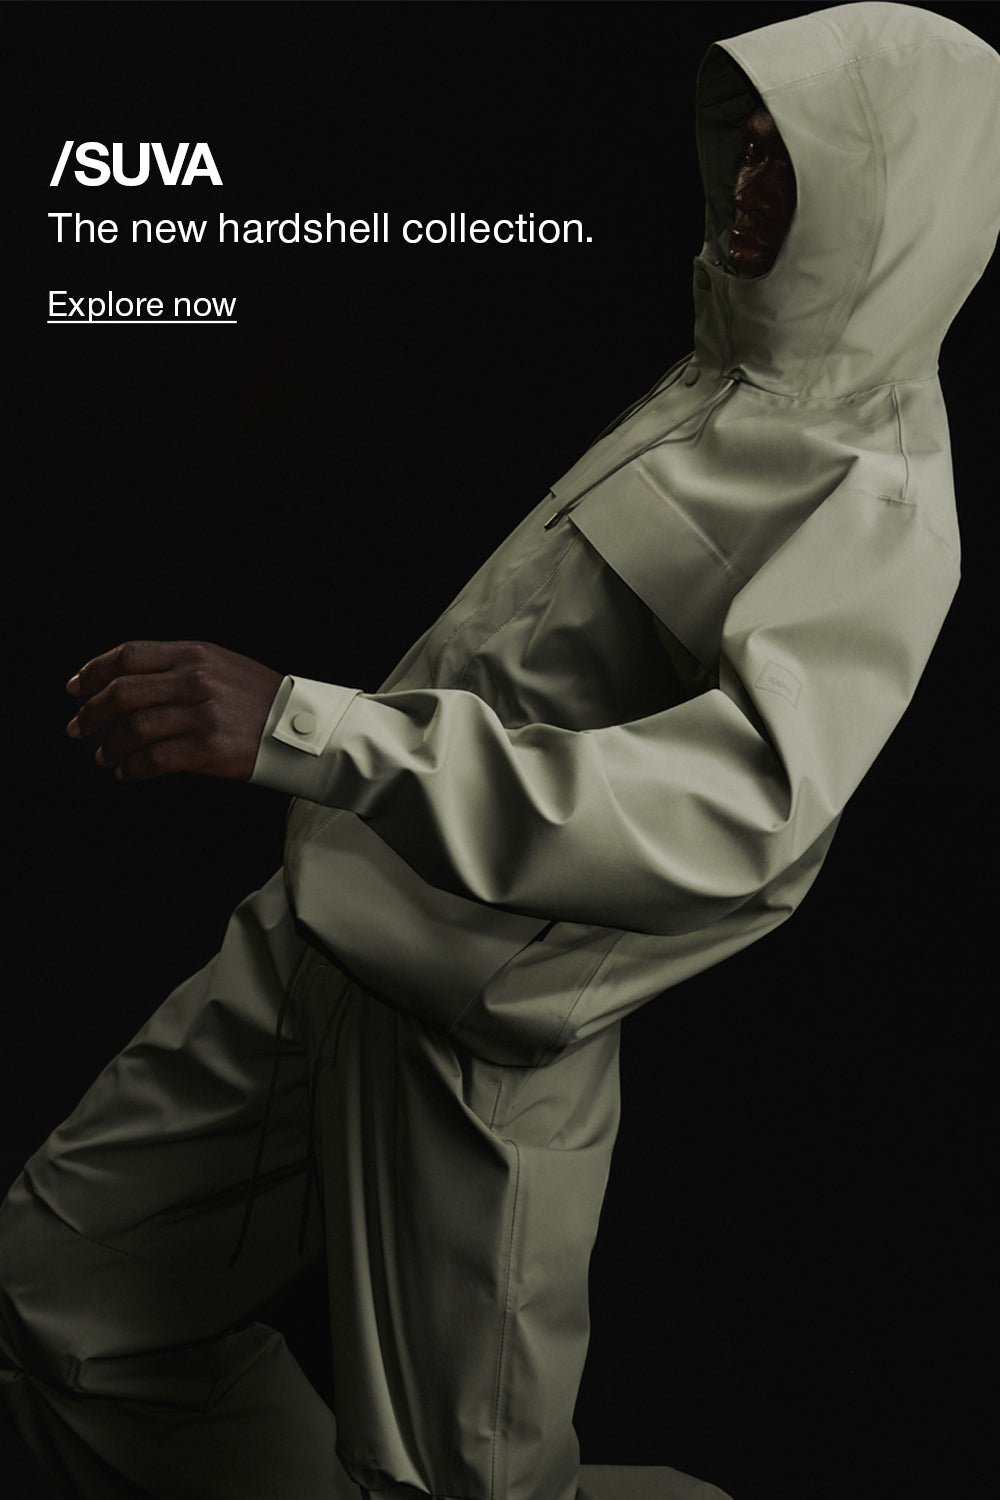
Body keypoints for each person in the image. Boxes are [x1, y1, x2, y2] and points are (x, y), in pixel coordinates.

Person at [2, 4, 997, 1498]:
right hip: (323, 930)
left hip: (475, 1042)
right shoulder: (726, 373)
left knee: (458, 1485)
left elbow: (735, 816)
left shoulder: (873, 501)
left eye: (802, 170)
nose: (748, 194)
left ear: (904, 202)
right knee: (64, 1301)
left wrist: (306, 729)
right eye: (746, 150)